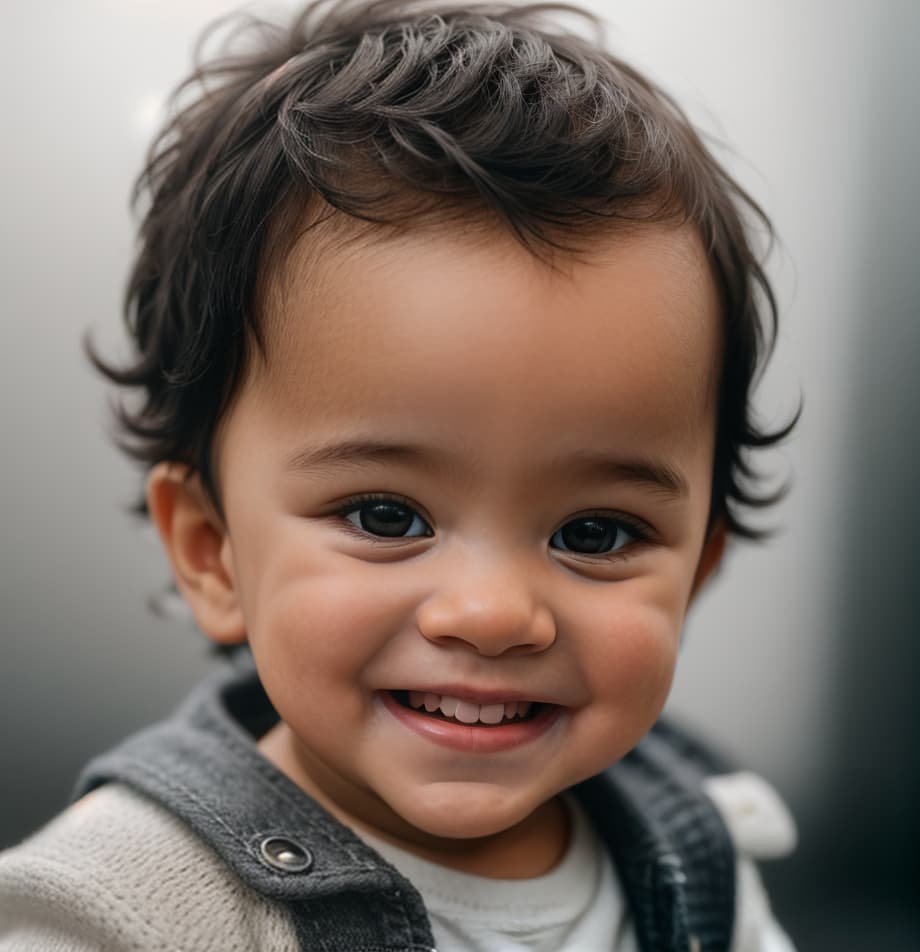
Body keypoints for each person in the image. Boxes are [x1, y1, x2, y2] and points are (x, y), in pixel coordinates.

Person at [0, 2, 800, 949]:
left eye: (595, 534)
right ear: (212, 552)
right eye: (386, 516)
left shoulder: (697, 853)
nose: (495, 613)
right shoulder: (124, 910)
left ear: (697, 570)